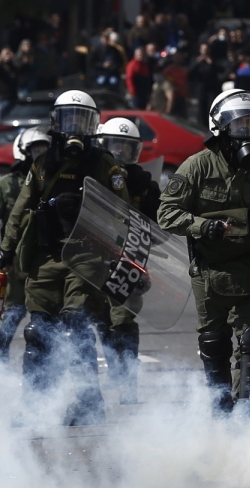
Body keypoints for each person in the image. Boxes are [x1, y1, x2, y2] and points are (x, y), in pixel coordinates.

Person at [0, 90, 130, 425]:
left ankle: (88, 403)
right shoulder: (42, 165)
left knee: (77, 326)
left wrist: (88, 210)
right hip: (44, 256)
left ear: (94, 125)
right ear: (56, 123)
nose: (75, 128)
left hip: (85, 256)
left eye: (82, 120)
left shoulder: (104, 166)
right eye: (68, 119)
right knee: (38, 331)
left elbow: (122, 214)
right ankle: (36, 407)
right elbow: (21, 207)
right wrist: (6, 249)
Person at [157, 89, 250, 415]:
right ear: (221, 128)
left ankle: (246, 413)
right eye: (239, 126)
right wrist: (201, 226)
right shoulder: (196, 167)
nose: (245, 133)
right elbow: (166, 214)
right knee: (214, 341)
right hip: (209, 270)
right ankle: (220, 411)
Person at [94, 117, 161, 403]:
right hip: (93, 261)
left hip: (127, 262)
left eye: (126, 147)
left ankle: (127, 384)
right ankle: (113, 373)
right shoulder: (92, 175)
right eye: (114, 146)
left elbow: (158, 228)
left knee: (122, 322)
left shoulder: (144, 185)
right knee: (99, 322)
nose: (119, 153)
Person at [0, 127, 50, 362]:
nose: (40, 154)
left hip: (43, 260)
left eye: (44, 149)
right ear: (24, 150)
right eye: (36, 149)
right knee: (11, 313)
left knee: (45, 317)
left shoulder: (51, 182)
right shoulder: (7, 185)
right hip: (14, 261)